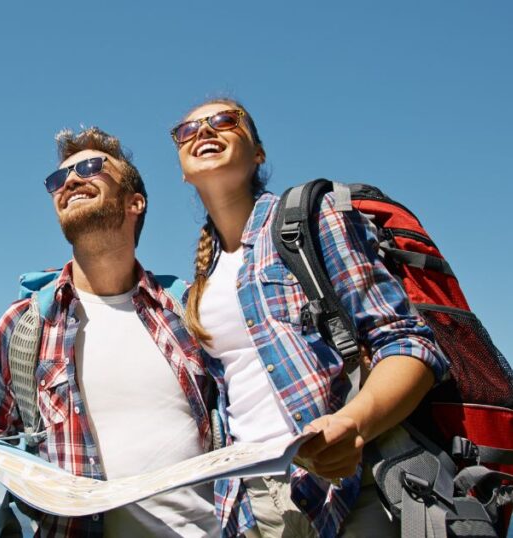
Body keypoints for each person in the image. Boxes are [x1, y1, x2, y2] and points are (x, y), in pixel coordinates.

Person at [0, 126, 220, 537]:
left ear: (134, 202)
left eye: (90, 167)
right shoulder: (23, 325)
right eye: (57, 179)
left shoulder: (191, 311)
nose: (68, 181)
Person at [172, 98, 451, 538]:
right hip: (250, 500)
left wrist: (353, 423)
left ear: (258, 152)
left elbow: (409, 343)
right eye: (187, 130)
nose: (204, 131)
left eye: (224, 120)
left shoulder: (308, 221)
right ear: (183, 167)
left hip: (348, 485)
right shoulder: (198, 286)